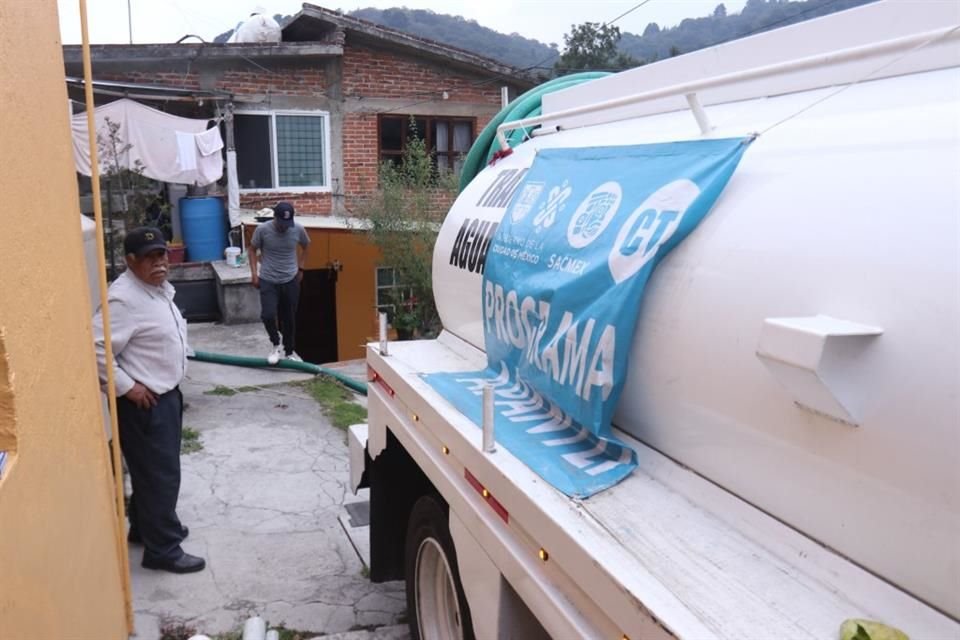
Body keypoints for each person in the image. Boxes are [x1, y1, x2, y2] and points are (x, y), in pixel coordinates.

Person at [93, 227, 205, 574]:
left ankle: (145, 528)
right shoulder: (124, 299)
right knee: (161, 476)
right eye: (149, 258)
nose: (159, 263)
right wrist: (127, 387)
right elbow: (94, 346)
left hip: (165, 395)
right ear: (130, 261)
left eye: (161, 255)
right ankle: (163, 549)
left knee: (151, 470)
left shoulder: (155, 289)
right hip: (145, 403)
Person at [248, 202, 310, 364]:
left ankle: (289, 352)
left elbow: (306, 246)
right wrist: (254, 273)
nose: (284, 227)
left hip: (290, 279)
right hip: (268, 279)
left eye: (287, 224)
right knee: (268, 315)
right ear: (274, 217)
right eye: (281, 223)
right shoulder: (262, 230)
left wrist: (301, 268)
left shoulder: (298, 229)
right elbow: (252, 250)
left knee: (289, 318)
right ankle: (275, 344)